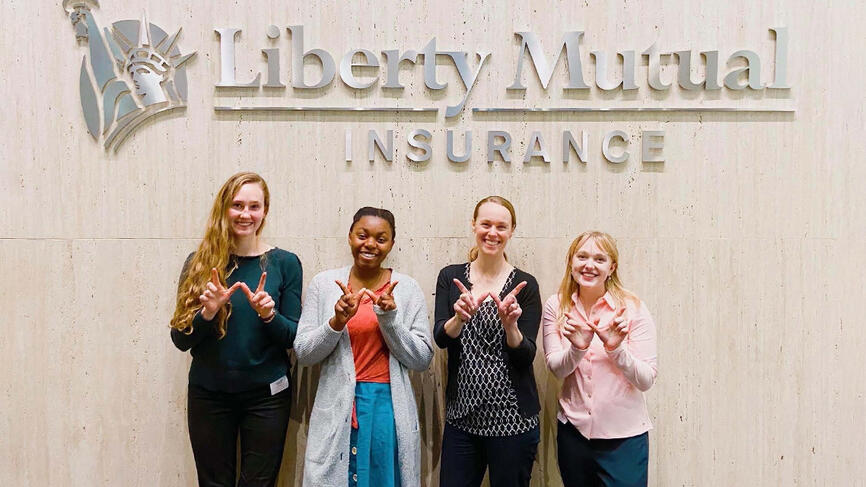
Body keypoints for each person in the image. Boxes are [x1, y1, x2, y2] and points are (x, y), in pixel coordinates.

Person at [169, 172, 302, 487]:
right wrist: (208, 312)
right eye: (237, 205)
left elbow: (294, 338)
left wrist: (269, 315)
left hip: (267, 397)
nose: (246, 214)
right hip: (209, 396)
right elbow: (180, 339)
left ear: (264, 211)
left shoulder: (285, 263)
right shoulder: (199, 263)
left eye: (254, 206)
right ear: (223, 209)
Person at [294, 207, 433, 487]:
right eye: (362, 235)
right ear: (350, 236)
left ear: (392, 244)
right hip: (338, 403)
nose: (370, 244)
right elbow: (304, 353)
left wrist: (390, 319)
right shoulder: (324, 284)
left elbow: (421, 359)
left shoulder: (406, 289)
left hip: (388, 408)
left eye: (381, 239)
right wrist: (336, 322)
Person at [433, 196, 542, 487]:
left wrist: (511, 327)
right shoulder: (451, 277)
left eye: (501, 226)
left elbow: (526, 355)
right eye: (486, 224)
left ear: (511, 231)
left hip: (513, 418)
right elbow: (441, 338)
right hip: (462, 418)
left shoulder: (525, 285)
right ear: (473, 225)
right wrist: (458, 319)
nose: (492, 233)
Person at [541, 231, 658, 487]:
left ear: (611, 267)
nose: (589, 265)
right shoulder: (556, 305)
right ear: (571, 262)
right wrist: (577, 349)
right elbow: (556, 369)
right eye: (582, 256)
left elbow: (647, 378)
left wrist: (616, 350)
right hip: (574, 434)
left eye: (599, 259)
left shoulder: (632, 307)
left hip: (624, 438)